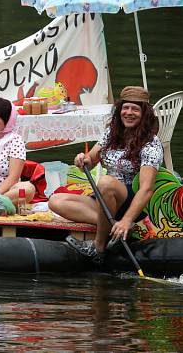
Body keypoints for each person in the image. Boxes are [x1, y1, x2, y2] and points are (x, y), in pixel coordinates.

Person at [48, 86, 163, 263]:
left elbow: (147, 189)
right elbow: (91, 159)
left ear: (144, 114)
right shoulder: (112, 133)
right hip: (105, 197)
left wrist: (126, 219)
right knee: (55, 201)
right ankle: (113, 226)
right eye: (125, 108)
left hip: (130, 200)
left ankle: (99, 247)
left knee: (106, 182)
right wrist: (82, 159)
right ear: (119, 110)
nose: (129, 113)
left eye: (135, 109)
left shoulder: (151, 143)